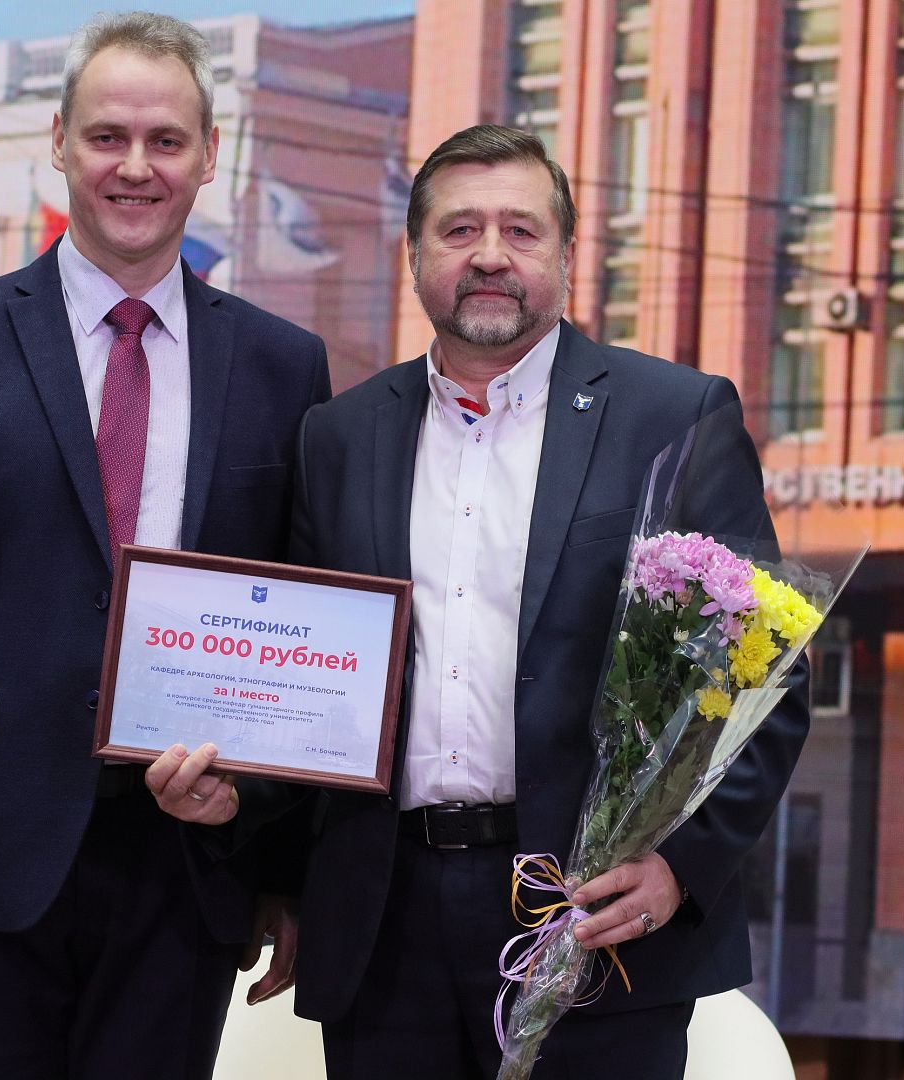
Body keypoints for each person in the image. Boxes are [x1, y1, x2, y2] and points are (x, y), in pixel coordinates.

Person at [0, 12, 330, 1080]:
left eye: (165, 140)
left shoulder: (283, 366)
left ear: (208, 153)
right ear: (59, 141)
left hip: (189, 866)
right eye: (107, 136)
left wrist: (282, 867)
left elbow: (295, 629)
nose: (134, 167)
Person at [289, 125, 808, 1078]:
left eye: (520, 230)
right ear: (413, 254)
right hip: (382, 922)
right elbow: (306, 674)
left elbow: (767, 683)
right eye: (458, 230)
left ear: (567, 254)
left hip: (596, 916)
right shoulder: (339, 435)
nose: (489, 255)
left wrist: (679, 867)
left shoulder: (674, 416)